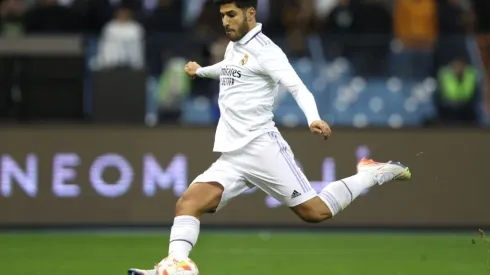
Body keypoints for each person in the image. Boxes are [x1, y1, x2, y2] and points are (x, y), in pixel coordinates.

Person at [129, 1, 411, 274]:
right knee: (188, 204)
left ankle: (370, 174)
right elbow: (229, 69)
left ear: (250, 13)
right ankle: (176, 266)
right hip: (234, 155)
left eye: (231, 14)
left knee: (315, 212)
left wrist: (312, 118)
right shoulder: (234, 46)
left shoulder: (268, 52)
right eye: (222, 16)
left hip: (263, 148)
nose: (225, 21)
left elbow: (298, 87)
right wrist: (200, 71)